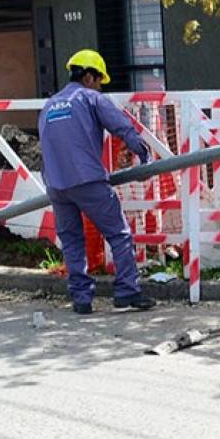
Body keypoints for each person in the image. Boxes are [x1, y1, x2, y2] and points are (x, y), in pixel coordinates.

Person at [39, 49, 156, 315]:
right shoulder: (91, 98)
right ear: (89, 76)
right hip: (87, 180)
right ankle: (127, 292)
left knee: (71, 241)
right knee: (119, 234)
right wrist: (144, 156)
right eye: (99, 80)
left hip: (56, 185)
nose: (100, 86)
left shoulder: (49, 105)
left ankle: (81, 299)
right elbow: (122, 127)